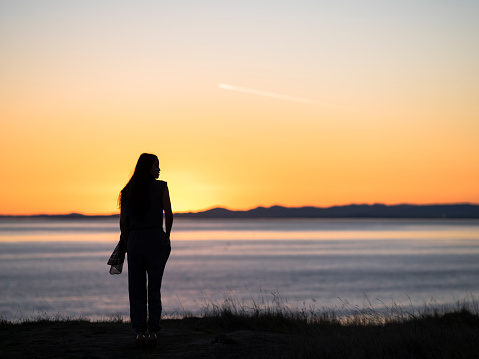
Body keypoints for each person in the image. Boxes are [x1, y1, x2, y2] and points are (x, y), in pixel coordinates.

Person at [118, 153, 173, 348]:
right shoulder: (161, 187)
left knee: (136, 288)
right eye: (156, 166)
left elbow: (123, 222)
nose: (159, 169)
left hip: (134, 241)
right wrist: (166, 236)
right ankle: (153, 332)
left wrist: (128, 242)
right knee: (154, 287)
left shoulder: (127, 191)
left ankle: (139, 332)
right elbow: (169, 213)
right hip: (155, 238)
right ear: (148, 167)